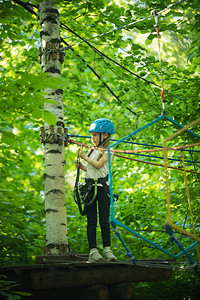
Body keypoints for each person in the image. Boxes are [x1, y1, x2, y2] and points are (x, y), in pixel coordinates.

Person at [75, 118, 117, 262]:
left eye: (94, 135)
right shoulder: (92, 149)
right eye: (91, 135)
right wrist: (82, 167)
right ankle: (93, 251)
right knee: (91, 220)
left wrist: (84, 158)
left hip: (101, 188)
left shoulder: (109, 151)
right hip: (90, 188)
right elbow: (92, 170)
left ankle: (107, 250)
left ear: (104, 135)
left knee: (104, 220)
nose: (91, 138)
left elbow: (99, 165)